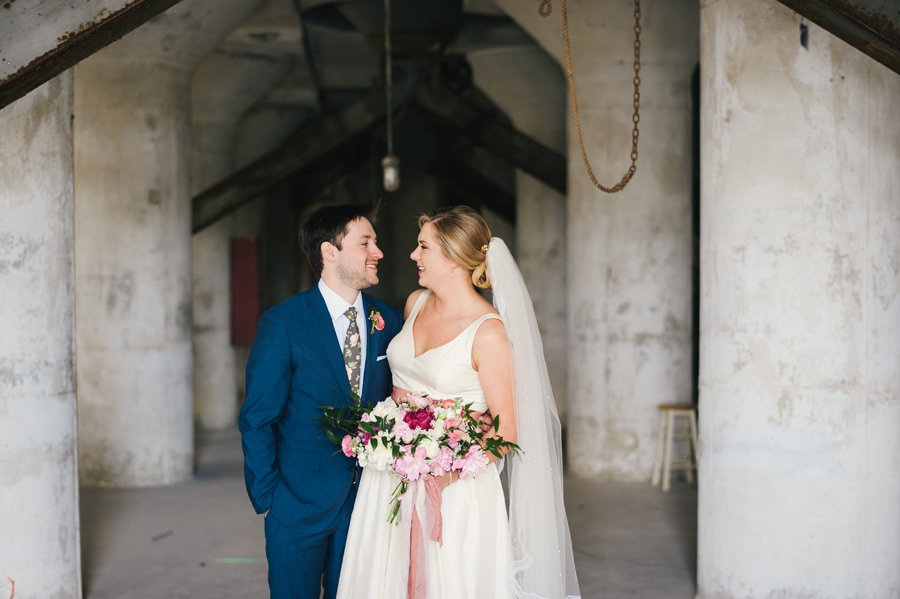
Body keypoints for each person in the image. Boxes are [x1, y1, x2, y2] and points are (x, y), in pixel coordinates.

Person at [337, 206, 581, 599]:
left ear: (451, 258)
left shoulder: (488, 332)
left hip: (454, 490)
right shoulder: (414, 302)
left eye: (423, 247)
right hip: (386, 478)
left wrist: (446, 471)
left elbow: (507, 432)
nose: (413, 256)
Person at [239, 203, 402, 599]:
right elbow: (257, 418)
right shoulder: (283, 322)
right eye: (366, 243)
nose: (378, 252)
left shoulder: (390, 320)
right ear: (330, 252)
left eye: (376, 242)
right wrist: (269, 497)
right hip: (296, 504)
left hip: (368, 502)